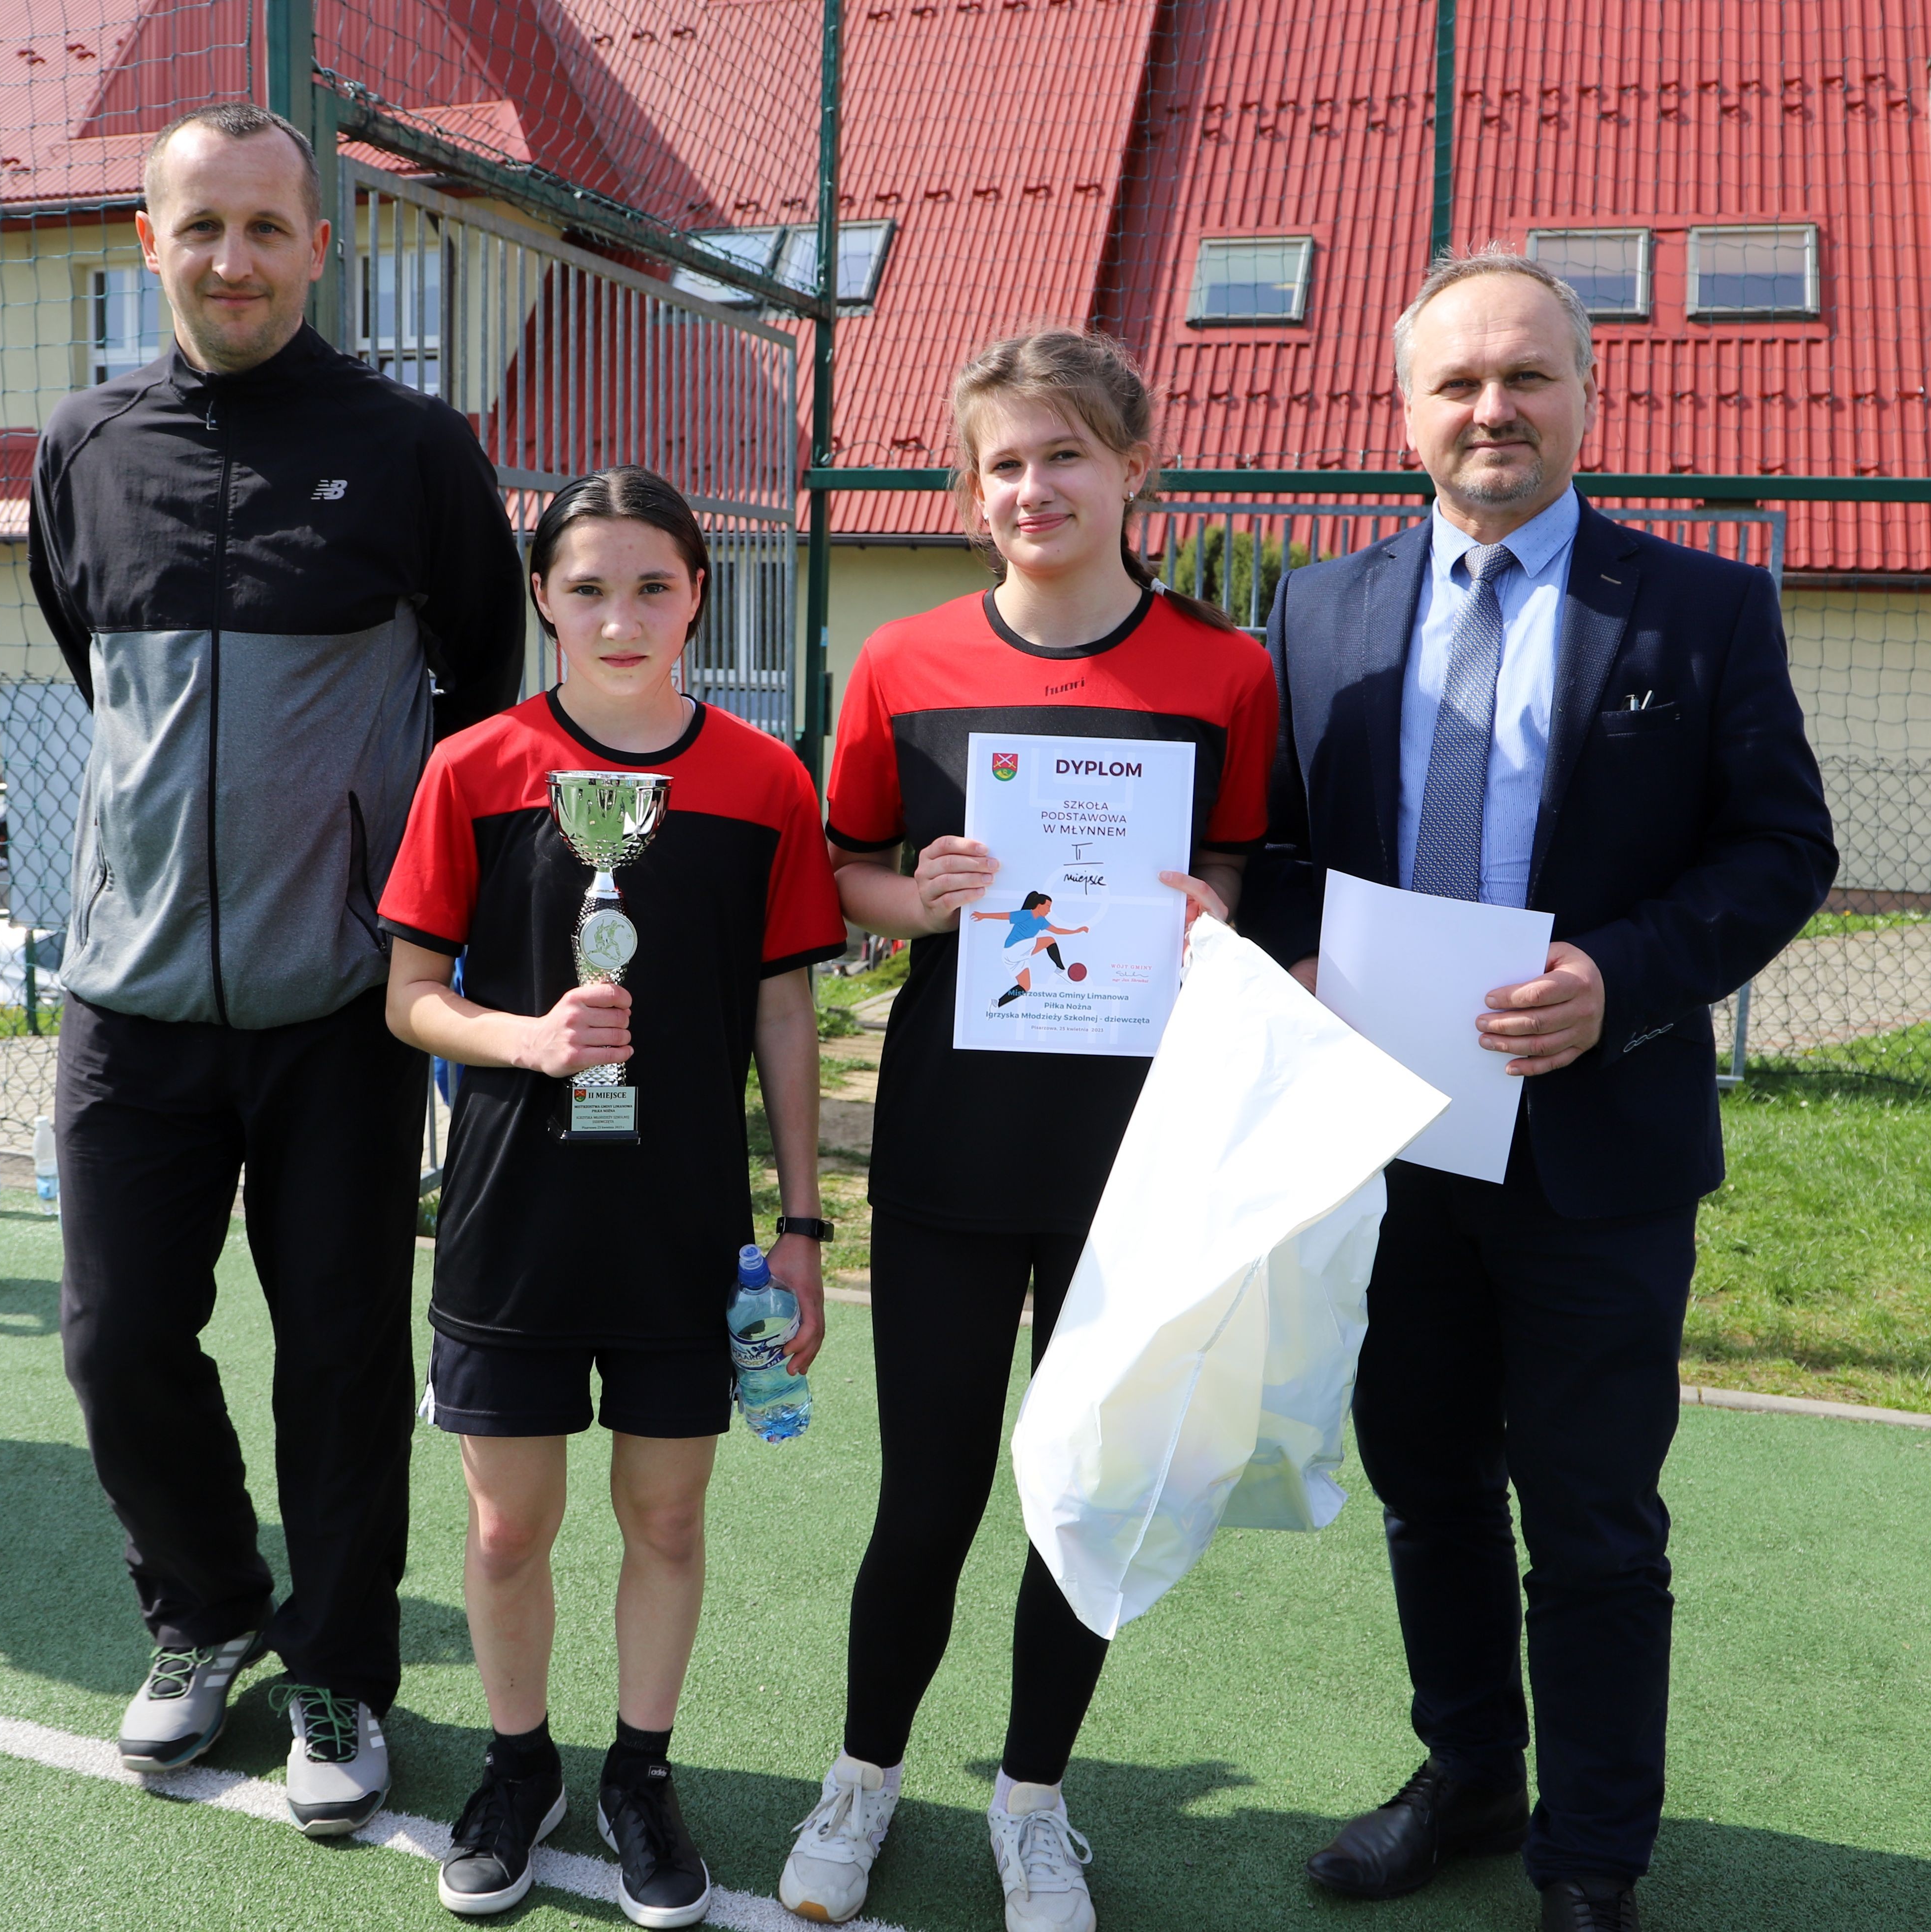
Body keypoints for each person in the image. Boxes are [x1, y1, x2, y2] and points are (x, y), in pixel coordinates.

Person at [1244, 246, 1836, 1931]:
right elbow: (1276, 847)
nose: (1490, 407)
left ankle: (1590, 1851)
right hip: (1390, 1138)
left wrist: (1616, 979)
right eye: (1457, 381)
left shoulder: (1701, 607)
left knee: (1588, 1512)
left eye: (1524, 375)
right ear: (1404, 410)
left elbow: (1780, 847)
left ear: (1586, 392)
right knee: (1426, 1480)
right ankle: (1468, 1772)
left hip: (1598, 1148)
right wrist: (1292, 955)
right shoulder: (1317, 609)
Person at [27, 104, 525, 1833]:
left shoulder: (413, 450)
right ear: (147, 245)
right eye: (200, 226)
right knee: (113, 1341)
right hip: (129, 999)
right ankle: (207, 1608)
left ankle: (339, 1668)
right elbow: (95, 661)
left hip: (339, 1006)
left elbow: (479, 694)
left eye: (263, 227)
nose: (231, 259)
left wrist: (386, 902)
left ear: (320, 248)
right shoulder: (84, 447)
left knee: (337, 1355)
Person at [772, 329, 1278, 1932]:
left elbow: (1243, 862)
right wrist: (912, 900)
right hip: (948, 1148)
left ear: (1134, 469)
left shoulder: (1225, 670)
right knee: (925, 1495)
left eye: (1064, 453)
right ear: (969, 487)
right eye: (1003, 461)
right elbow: (840, 873)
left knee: (1084, 1494)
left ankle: (1032, 1799)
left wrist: (1211, 907)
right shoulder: (903, 662)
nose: (1033, 486)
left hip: (1133, 1157)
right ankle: (863, 1773)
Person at [378, 466, 845, 1924]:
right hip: (510, 1218)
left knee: (666, 1516)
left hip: (681, 1226)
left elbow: (783, 1014)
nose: (620, 617)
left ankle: (640, 1772)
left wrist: (800, 1224)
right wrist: (528, 1038)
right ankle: (519, 1768)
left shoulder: (764, 782)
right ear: (542, 599)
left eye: (652, 584)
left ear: (698, 592)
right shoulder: (476, 767)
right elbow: (406, 995)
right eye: (586, 587)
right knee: (505, 1528)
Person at [973, 892, 1089, 1007]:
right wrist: (983, 916)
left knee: (1025, 986)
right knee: (1049, 940)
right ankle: (1061, 969)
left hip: (1016, 956)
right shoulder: (1026, 914)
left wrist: (1077, 931)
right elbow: (1004, 916)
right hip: (1013, 949)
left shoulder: (1042, 921)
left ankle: (996, 1004)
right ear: (1039, 905)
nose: (1049, 911)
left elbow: (1058, 931)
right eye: (1048, 907)